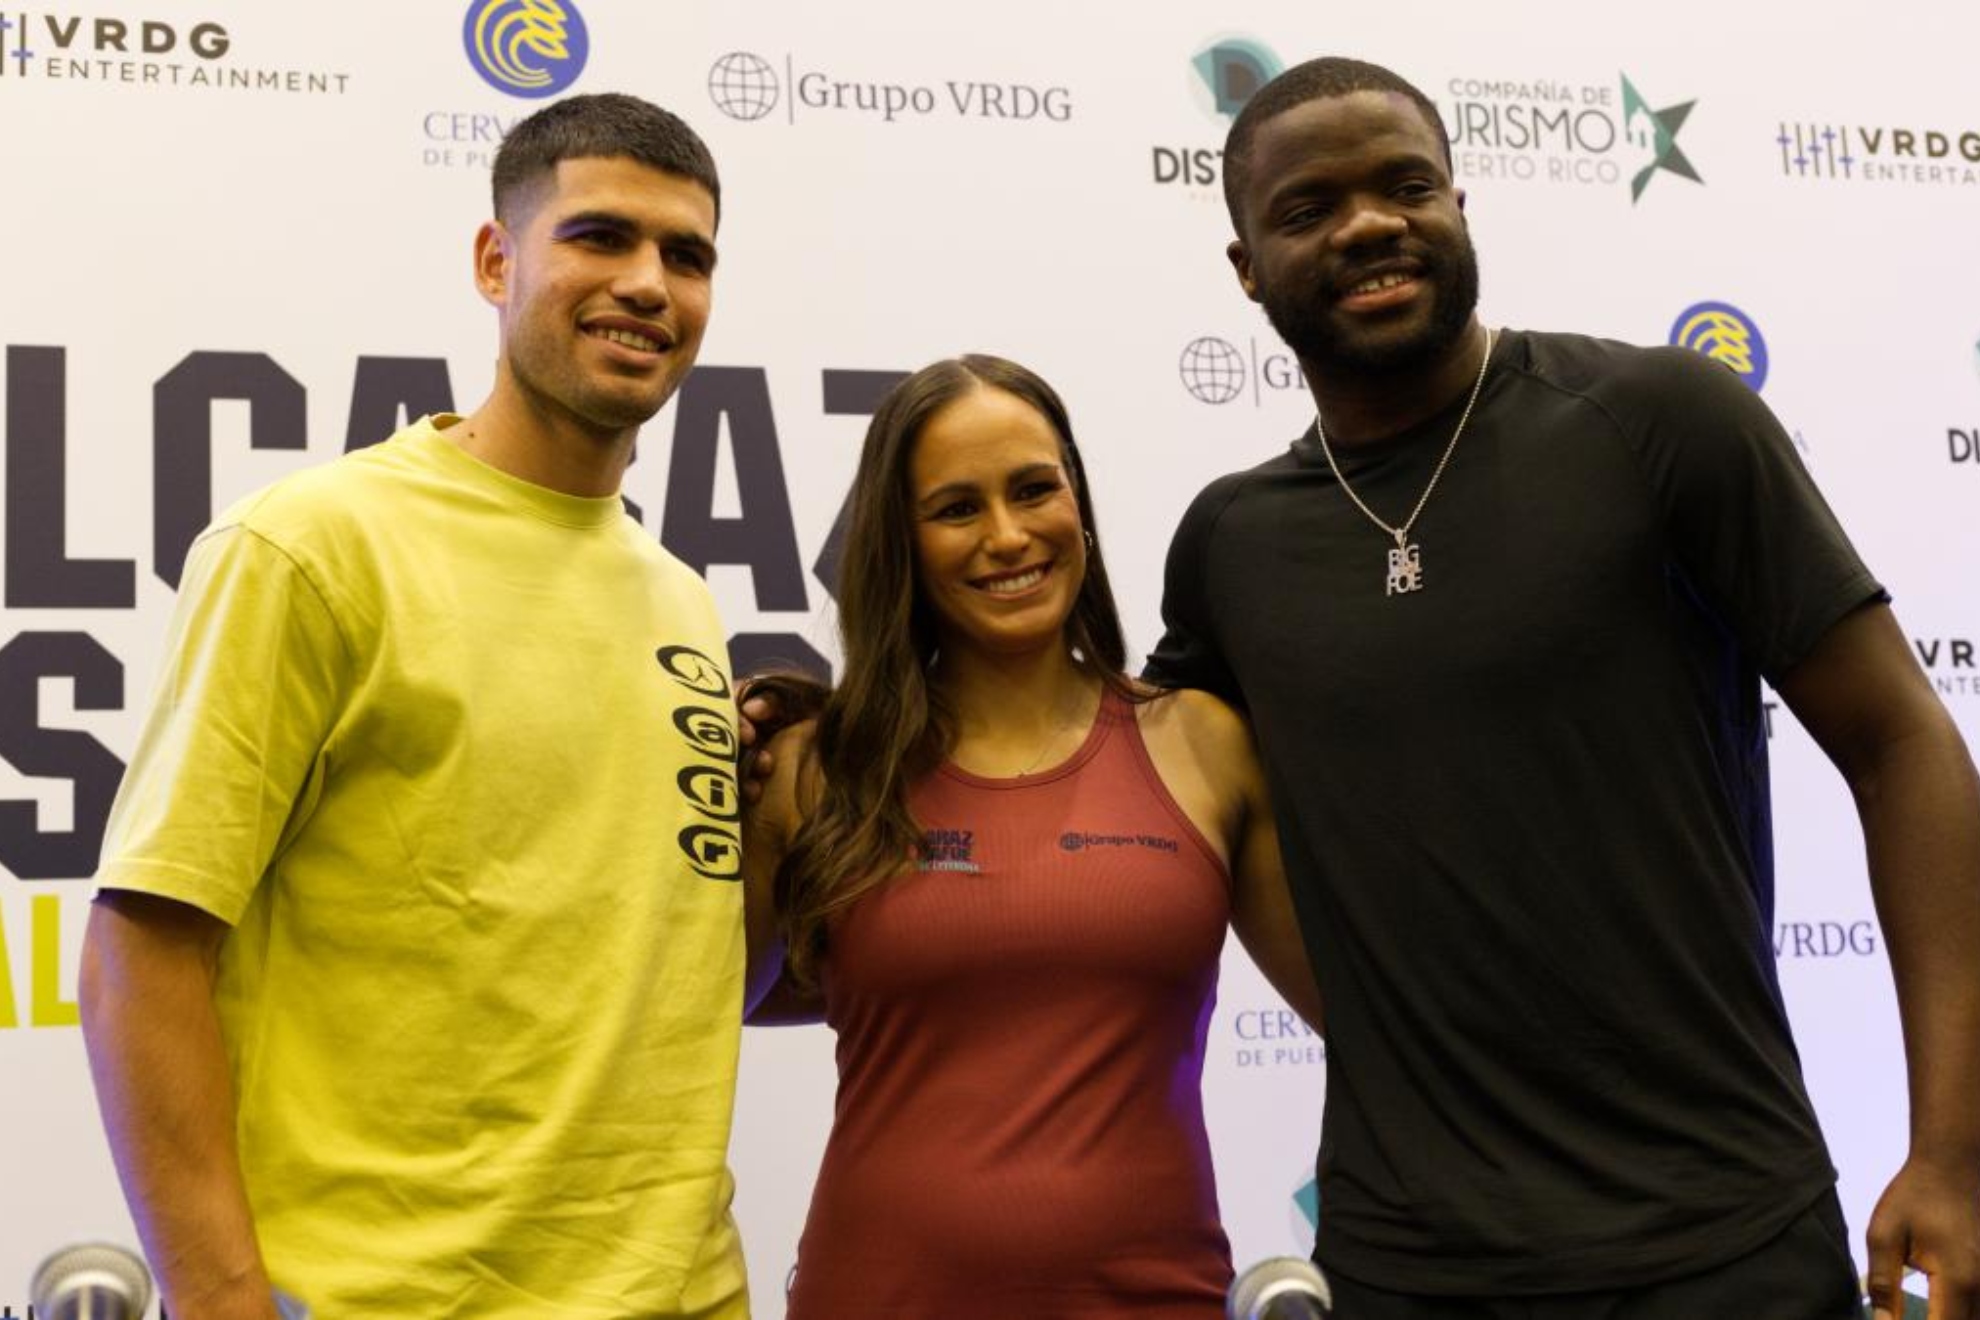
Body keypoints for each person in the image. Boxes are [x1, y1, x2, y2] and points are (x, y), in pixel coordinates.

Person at [1145, 55, 1980, 1319]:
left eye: (1406, 185)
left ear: (1462, 209)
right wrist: (835, 730)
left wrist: (1954, 1153)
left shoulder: (1661, 423)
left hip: (1723, 1244)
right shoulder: (1231, 545)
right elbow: (1082, 745)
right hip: (1408, 1267)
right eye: (1309, 209)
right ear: (1246, 267)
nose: (1371, 222)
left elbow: (1901, 744)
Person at [78, 94, 749, 1319]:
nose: (650, 285)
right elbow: (140, 954)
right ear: (497, 261)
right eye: (600, 238)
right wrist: (218, 1298)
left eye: (687, 255)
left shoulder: (682, 606)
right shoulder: (311, 549)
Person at [739, 354, 1323, 1318]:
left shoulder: (1203, 747)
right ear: (902, 543)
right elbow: (683, 1019)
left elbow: (1374, 1028)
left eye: (1034, 490)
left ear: (1078, 504)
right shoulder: (812, 770)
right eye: (957, 508)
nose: (1008, 536)